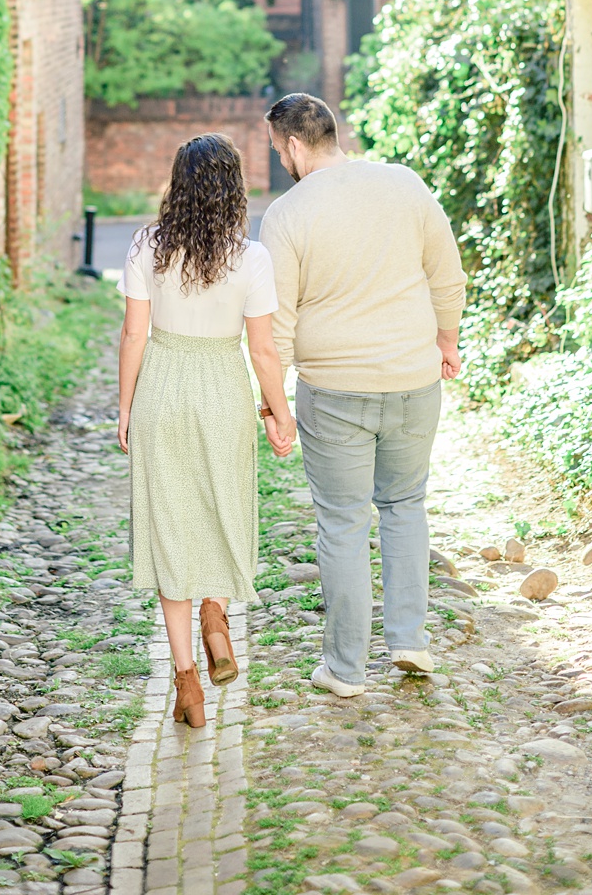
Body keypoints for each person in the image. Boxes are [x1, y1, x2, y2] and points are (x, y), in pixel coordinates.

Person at [261, 92, 467, 699]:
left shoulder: (286, 214)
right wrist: (446, 341)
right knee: (405, 506)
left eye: (279, 151)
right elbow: (446, 273)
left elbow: (276, 325)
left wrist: (275, 402)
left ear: (295, 145)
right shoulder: (404, 184)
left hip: (334, 390)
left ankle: (347, 671)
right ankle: (409, 641)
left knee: (343, 524)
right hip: (412, 379)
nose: (281, 163)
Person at [116, 133, 296, 730]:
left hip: (162, 389)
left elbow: (134, 336)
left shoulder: (148, 245)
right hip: (222, 388)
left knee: (170, 527)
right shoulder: (251, 258)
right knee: (223, 507)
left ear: (178, 184)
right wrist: (280, 413)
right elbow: (264, 351)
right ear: (235, 189)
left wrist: (125, 407)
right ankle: (216, 616)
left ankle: (187, 683)